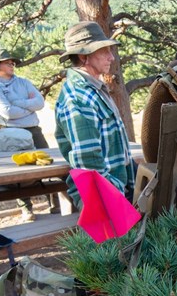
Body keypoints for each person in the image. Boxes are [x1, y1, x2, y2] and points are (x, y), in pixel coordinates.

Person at [55, 21, 135, 208]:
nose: (111, 57)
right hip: (105, 196)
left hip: (117, 187)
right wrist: (116, 194)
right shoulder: (78, 97)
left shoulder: (94, 89)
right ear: (84, 57)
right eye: (104, 51)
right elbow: (88, 162)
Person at [0, 47, 51, 221]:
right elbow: (7, 113)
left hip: (34, 131)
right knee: (18, 173)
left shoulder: (23, 82)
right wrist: (27, 108)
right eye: (8, 62)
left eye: (12, 62)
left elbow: (39, 102)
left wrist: (18, 102)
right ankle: (26, 208)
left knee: (49, 164)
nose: (12, 64)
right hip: (11, 134)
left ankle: (55, 203)